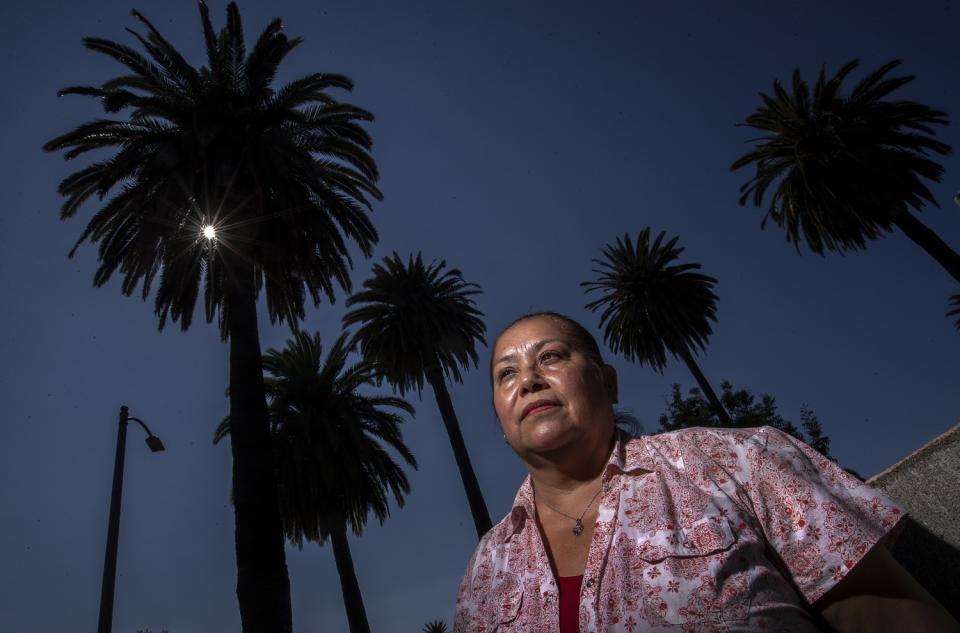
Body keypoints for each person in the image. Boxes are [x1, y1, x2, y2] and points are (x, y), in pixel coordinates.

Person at [454, 312, 958, 632]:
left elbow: (886, 615)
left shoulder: (736, 460)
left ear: (606, 382)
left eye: (551, 356)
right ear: (501, 420)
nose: (529, 380)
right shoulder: (485, 571)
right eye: (506, 374)